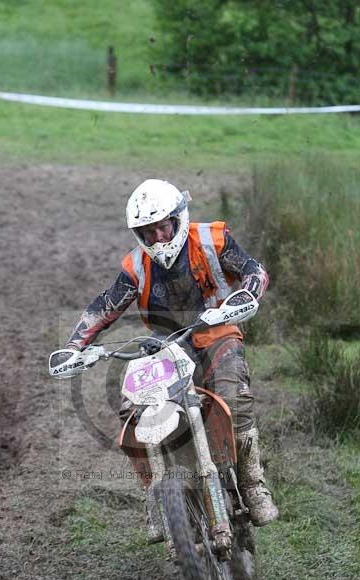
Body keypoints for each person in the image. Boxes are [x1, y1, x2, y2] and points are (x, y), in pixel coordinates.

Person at [62, 179, 278, 528]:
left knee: (233, 395)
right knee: (134, 411)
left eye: (163, 226)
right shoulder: (136, 267)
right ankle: (157, 497)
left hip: (218, 332)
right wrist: (75, 347)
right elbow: (105, 306)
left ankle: (253, 484)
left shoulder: (211, 239)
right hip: (167, 347)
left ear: (178, 219)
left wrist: (247, 295)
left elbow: (254, 269)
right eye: (148, 231)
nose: (158, 237)